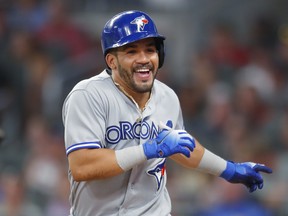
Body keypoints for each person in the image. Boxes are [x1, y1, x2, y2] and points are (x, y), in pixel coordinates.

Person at [62, 10, 272, 216]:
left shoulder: (167, 97)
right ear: (111, 61)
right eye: (132, 51)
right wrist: (148, 150)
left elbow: (181, 146)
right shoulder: (89, 95)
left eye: (150, 50)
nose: (144, 59)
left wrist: (229, 169)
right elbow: (82, 165)